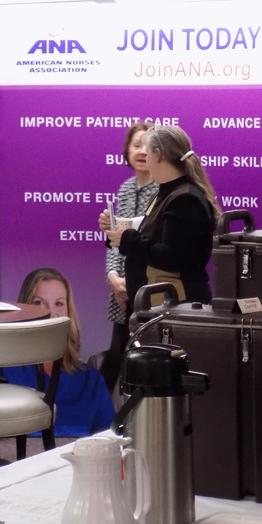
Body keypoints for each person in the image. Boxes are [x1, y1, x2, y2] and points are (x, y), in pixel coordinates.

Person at [99, 124, 221, 314]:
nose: (145, 159)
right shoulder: (166, 193)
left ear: (158, 155)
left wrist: (128, 238)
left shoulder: (185, 198)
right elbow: (151, 234)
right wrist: (117, 232)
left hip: (177, 306)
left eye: (147, 153)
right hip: (157, 306)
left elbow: (172, 257)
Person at [1, 267, 115, 437]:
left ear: (69, 312)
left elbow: (111, 442)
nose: (51, 314)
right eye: (39, 303)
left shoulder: (91, 381)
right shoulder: (5, 374)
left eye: (59, 303)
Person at [101, 122, 159, 394]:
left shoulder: (162, 190)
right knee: (116, 354)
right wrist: (113, 277)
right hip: (121, 289)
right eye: (137, 145)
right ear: (127, 151)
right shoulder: (125, 188)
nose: (142, 151)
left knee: (142, 357)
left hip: (148, 286)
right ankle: (102, 413)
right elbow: (114, 239)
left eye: (148, 146)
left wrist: (132, 283)